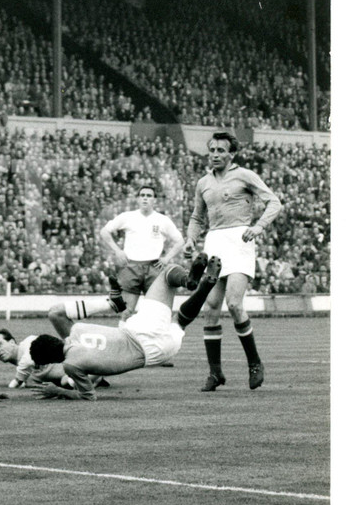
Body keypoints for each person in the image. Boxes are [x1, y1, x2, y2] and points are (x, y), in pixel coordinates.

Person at [27, 253, 219, 401]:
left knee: (180, 322)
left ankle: (204, 288)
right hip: (139, 331)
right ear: (53, 339)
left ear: (52, 360)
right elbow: (57, 314)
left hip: (157, 354)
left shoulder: (72, 366)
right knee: (168, 274)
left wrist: (58, 391)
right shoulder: (78, 333)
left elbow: (88, 395)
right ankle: (190, 281)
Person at [183, 131, 283, 391]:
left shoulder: (245, 175)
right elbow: (196, 217)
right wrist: (191, 239)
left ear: (231, 154)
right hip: (214, 242)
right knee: (211, 307)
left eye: (220, 150)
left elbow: (274, 202)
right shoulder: (203, 182)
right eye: (212, 149)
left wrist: (260, 226)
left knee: (235, 304)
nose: (215, 154)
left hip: (240, 240)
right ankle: (215, 373)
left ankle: (255, 363)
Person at [99, 184, 184, 312]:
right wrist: (117, 251)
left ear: (154, 200)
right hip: (131, 267)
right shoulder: (127, 216)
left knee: (154, 310)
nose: (145, 198)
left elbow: (180, 241)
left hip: (154, 267)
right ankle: (124, 330)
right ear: (138, 199)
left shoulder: (162, 220)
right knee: (126, 311)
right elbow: (104, 231)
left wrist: (166, 259)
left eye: (149, 196)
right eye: (142, 195)